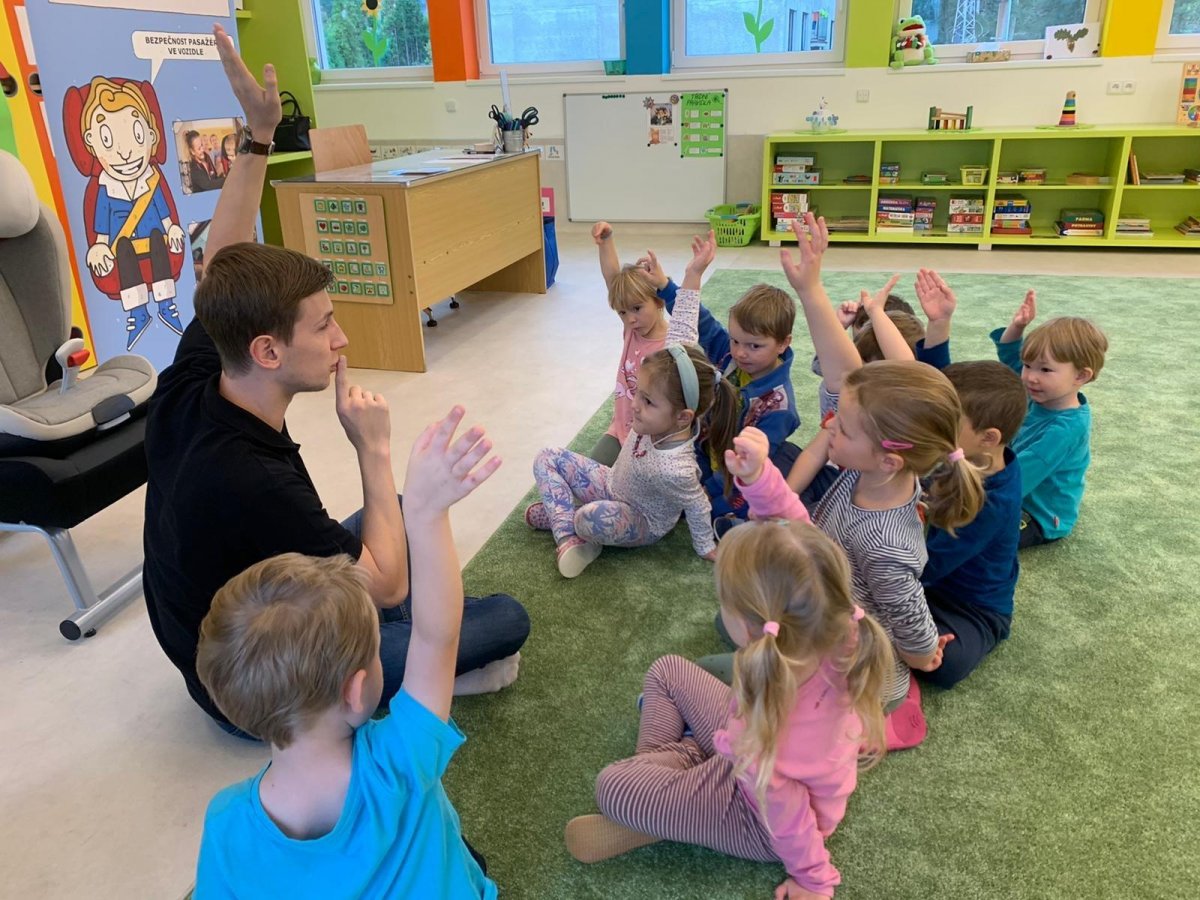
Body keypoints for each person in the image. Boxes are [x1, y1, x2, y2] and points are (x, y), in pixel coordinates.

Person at [142, 24, 529, 735]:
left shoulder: (200, 371)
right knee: (503, 619)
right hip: (250, 688)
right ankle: (418, 672)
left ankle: (411, 646)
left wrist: (259, 136)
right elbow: (388, 581)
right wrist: (371, 446)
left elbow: (220, 262)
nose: (342, 339)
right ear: (266, 350)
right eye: (323, 326)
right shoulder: (251, 480)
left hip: (231, 616)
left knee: (403, 513)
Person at [194, 407, 500, 898]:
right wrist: (425, 514)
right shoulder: (399, 763)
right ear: (357, 692)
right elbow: (436, 637)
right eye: (376, 650)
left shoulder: (226, 823)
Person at [564, 519, 892, 900]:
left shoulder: (767, 747)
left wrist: (813, 881)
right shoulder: (836, 631)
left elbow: (791, 822)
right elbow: (799, 553)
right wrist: (759, 488)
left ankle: (674, 785)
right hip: (747, 749)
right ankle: (679, 784)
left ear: (752, 628)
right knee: (667, 671)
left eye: (723, 602)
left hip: (758, 820)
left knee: (613, 788)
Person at [761, 213, 985, 747]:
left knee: (756, 680)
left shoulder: (886, 545)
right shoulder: (872, 467)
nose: (830, 429)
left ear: (888, 459)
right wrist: (811, 290)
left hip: (857, 668)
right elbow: (861, 376)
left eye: (843, 429)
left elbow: (911, 621)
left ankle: (894, 709)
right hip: (829, 611)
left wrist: (922, 656)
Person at [527, 231, 737, 577]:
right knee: (546, 456)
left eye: (647, 401)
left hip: (643, 521)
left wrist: (706, 548)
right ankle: (565, 533)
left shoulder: (678, 468)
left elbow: (698, 504)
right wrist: (693, 273)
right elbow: (685, 322)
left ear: (682, 416)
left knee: (587, 517)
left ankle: (565, 519)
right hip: (614, 484)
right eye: (638, 394)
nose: (635, 405)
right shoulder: (670, 371)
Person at [642, 251, 801, 522]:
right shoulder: (731, 355)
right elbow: (701, 321)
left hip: (737, 471)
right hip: (706, 450)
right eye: (735, 341)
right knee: (660, 481)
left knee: (739, 505)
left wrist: (711, 490)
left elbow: (750, 462)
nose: (740, 352)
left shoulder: (780, 407)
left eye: (754, 346)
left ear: (783, 343)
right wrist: (665, 286)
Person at [918, 360, 1027, 688]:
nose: (933, 425)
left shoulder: (992, 501)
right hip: (930, 586)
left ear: (988, 437)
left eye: (946, 421)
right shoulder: (970, 456)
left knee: (946, 663)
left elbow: (929, 566)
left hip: (971, 609)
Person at [992, 291, 1108, 548]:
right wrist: (1018, 326)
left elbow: (1016, 479)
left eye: (1045, 369)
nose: (1030, 377)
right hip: (1014, 483)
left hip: (1040, 515)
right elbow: (1009, 354)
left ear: (1081, 376)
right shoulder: (1040, 390)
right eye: (1028, 365)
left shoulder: (1065, 429)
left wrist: (965, 494)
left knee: (978, 530)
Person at [588, 220, 671, 466]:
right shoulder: (632, 330)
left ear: (658, 301)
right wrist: (606, 242)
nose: (630, 319)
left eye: (637, 308)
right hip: (621, 428)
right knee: (591, 474)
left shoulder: (672, 343)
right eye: (623, 313)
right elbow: (613, 280)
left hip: (655, 438)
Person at [185, 128, 224, 192]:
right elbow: (208, 185)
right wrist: (227, 180)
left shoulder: (206, 156)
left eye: (202, 145)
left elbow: (215, 178)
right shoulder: (194, 168)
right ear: (192, 151)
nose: (202, 149)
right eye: (199, 148)